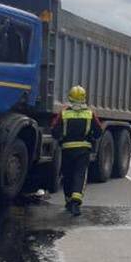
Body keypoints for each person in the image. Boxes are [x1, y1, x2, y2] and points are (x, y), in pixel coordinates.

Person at [51, 85, 103, 216]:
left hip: (67, 150)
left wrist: (62, 139)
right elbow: (98, 131)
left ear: (70, 98)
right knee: (79, 175)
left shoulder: (64, 113)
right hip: (83, 151)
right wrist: (91, 138)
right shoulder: (90, 113)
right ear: (84, 98)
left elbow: (55, 131)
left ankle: (69, 202)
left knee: (67, 175)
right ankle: (76, 203)